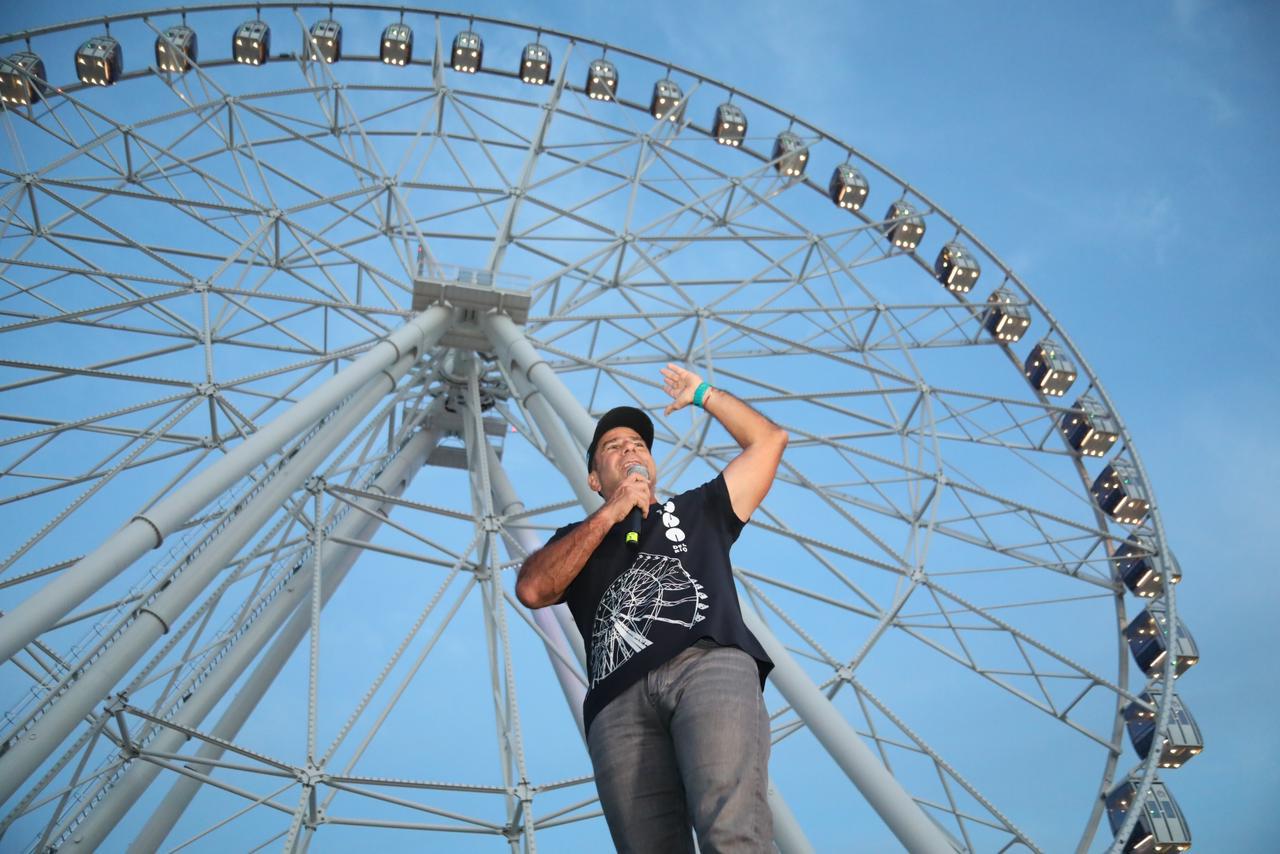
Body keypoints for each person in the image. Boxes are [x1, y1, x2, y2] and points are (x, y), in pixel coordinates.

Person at [516, 363, 788, 853]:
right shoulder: (575, 542)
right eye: (613, 447)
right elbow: (534, 589)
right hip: (615, 703)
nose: (630, 450)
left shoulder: (699, 509)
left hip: (708, 664)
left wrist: (704, 394)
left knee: (731, 831)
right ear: (594, 479)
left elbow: (769, 442)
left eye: (639, 445)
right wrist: (613, 512)